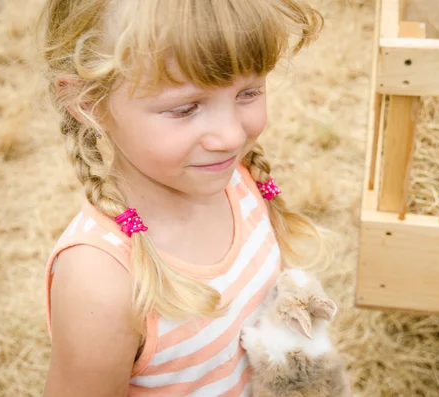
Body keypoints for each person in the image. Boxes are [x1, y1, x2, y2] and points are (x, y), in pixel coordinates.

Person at [38, 0, 342, 396]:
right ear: (88, 103)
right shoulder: (102, 280)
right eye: (185, 109)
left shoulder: (240, 182)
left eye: (248, 92)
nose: (231, 136)